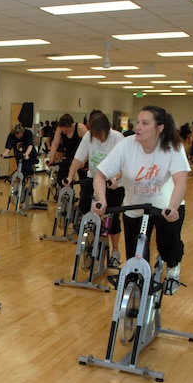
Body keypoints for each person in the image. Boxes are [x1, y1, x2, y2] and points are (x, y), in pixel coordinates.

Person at [92, 105, 189, 294]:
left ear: (159, 128)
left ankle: (173, 266)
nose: (139, 127)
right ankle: (138, 292)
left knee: (167, 246)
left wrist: (173, 208)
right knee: (135, 258)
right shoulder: (126, 145)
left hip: (166, 207)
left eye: (145, 123)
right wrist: (101, 200)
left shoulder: (172, 147)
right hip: (134, 208)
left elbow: (181, 181)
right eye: (138, 122)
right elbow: (100, 175)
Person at [65, 110, 125, 268]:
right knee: (84, 205)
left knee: (113, 216)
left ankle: (116, 251)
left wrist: (115, 178)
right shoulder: (88, 137)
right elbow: (78, 158)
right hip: (94, 178)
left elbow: (125, 165)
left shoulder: (118, 138)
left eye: (100, 134)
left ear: (107, 129)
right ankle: (93, 237)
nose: (98, 137)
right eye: (95, 134)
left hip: (114, 182)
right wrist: (70, 177)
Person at [46, 113, 88, 185]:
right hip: (68, 155)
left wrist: (84, 161)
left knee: (84, 181)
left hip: (81, 156)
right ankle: (68, 193)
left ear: (71, 125)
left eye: (66, 131)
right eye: (63, 131)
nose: (64, 133)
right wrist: (51, 158)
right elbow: (55, 144)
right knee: (61, 179)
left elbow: (89, 147)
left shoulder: (80, 128)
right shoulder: (60, 129)